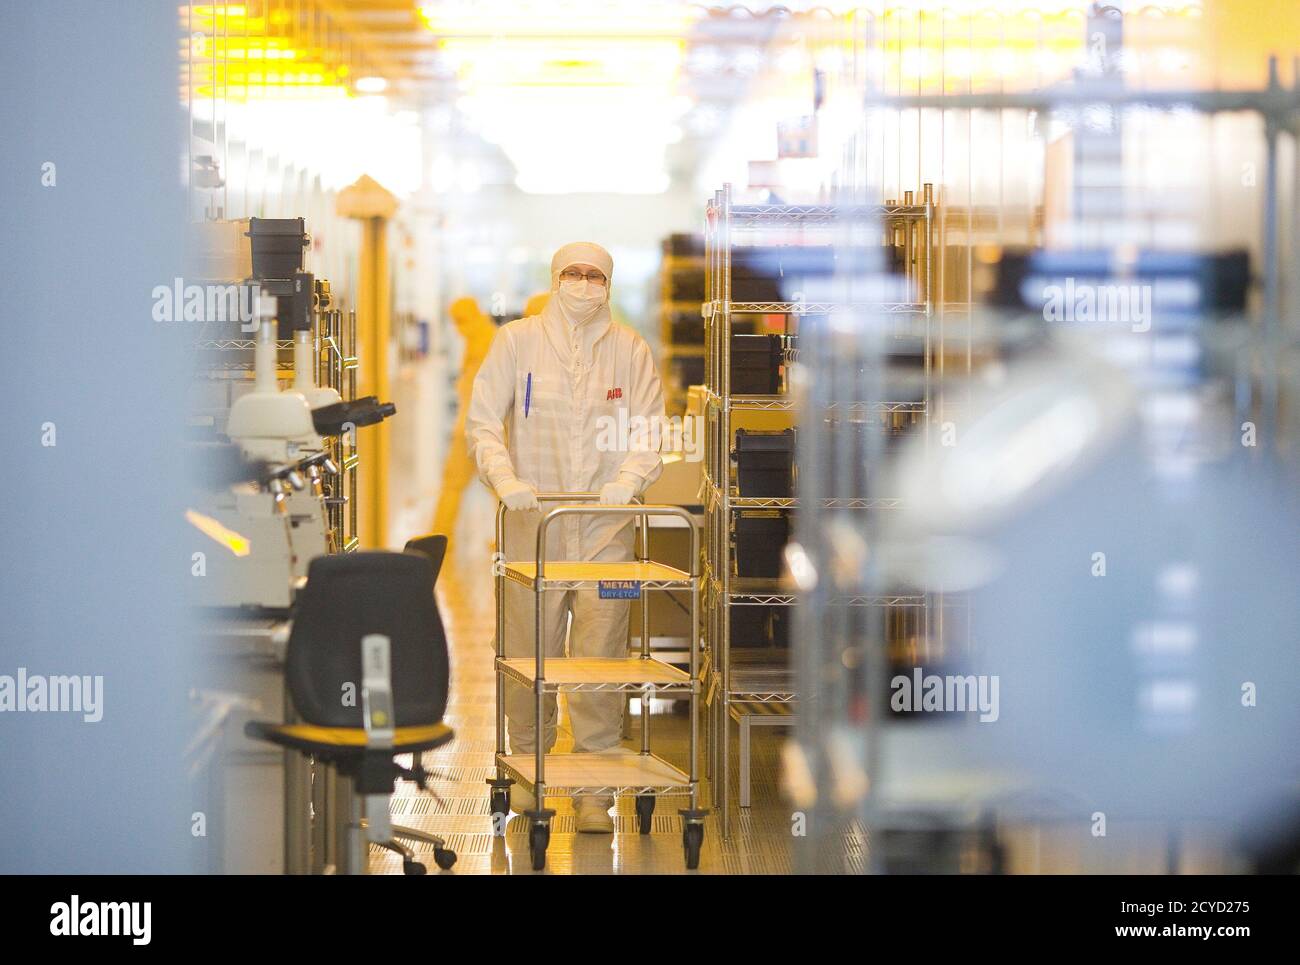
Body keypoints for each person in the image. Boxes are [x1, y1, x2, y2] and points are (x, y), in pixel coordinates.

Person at [467, 242, 665, 833]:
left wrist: (628, 481)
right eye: (573, 274)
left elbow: (651, 426)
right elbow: (482, 421)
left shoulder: (630, 349)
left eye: (594, 275)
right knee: (530, 654)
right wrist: (504, 480)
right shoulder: (517, 342)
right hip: (534, 526)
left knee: (601, 657)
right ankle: (531, 776)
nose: (583, 284)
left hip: (607, 529)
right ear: (555, 278)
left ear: (609, 283)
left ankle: (593, 791)